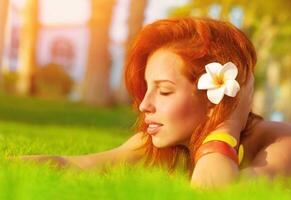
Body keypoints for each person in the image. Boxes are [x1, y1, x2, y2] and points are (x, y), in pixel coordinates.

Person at [14, 17, 291, 189]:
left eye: (165, 91)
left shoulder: (280, 144)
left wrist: (226, 123)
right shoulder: (162, 145)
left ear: (214, 98)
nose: (145, 104)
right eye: (147, 88)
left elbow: (216, 192)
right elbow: (74, 164)